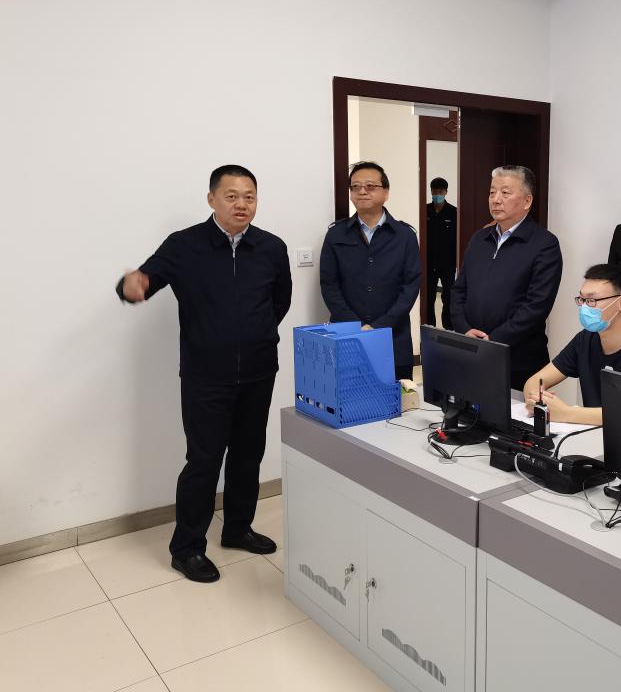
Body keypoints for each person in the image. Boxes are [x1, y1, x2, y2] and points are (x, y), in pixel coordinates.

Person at [116, 165, 291, 583]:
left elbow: (280, 301)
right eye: (231, 196)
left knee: (248, 454)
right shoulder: (184, 245)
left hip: (258, 371)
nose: (241, 204)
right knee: (204, 460)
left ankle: (237, 529)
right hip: (205, 375)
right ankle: (187, 548)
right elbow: (146, 280)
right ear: (212, 199)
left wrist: (255, 334)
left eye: (249, 196)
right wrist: (130, 287)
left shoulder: (271, 247)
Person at [451, 165, 562, 391]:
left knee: (515, 413)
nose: (496, 199)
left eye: (505, 192)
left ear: (527, 201)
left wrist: (493, 340)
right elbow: (459, 290)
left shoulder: (544, 244)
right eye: (492, 192)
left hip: (519, 360)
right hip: (473, 351)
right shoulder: (479, 238)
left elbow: (536, 306)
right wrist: (464, 329)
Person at [523, 264, 621, 425]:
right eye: (582, 300)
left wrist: (566, 413)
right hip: (590, 434)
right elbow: (535, 381)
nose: (584, 307)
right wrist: (537, 398)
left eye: (592, 300)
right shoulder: (585, 339)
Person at [320, 161, 421, 381]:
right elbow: (329, 286)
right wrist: (357, 327)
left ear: (386, 192)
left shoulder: (405, 236)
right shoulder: (336, 235)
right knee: (350, 398)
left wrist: (379, 327)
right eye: (355, 187)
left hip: (393, 338)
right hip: (347, 337)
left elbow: (411, 287)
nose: (362, 191)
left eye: (370, 186)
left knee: (395, 399)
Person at [426, 176, 457, 329]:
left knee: (448, 297)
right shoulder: (425, 210)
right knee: (429, 297)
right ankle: (429, 327)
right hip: (428, 263)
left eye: (440, 191)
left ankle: (448, 328)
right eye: (434, 191)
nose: (437, 194)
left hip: (448, 264)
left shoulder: (453, 212)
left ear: (445, 192)